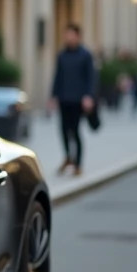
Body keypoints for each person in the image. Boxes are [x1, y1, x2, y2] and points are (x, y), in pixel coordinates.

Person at [48, 23, 97, 177]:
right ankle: (68, 157)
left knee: (75, 131)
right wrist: (53, 96)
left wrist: (89, 96)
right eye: (66, 34)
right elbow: (58, 77)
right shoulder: (62, 55)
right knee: (63, 130)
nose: (68, 37)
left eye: (71, 34)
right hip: (64, 98)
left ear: (77, 36)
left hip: (78, 100)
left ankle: (78, 163)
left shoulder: (85, 55)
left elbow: (91, 78)